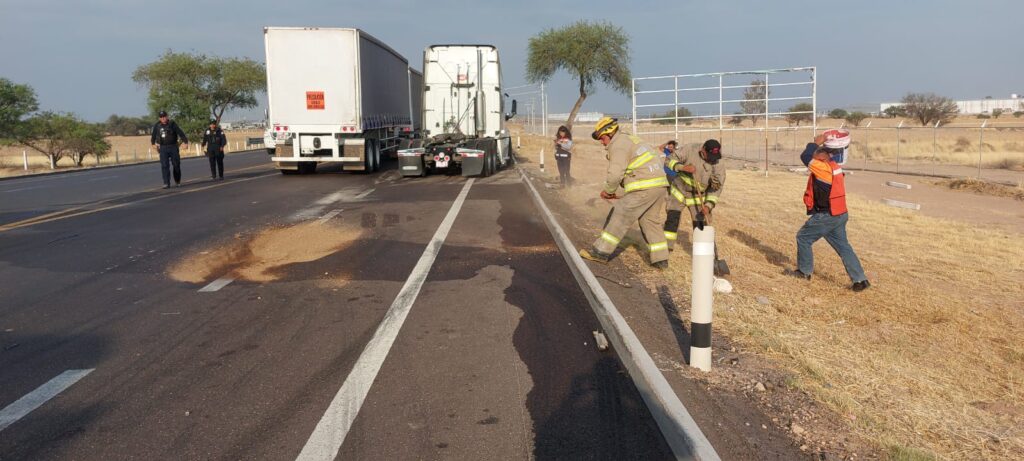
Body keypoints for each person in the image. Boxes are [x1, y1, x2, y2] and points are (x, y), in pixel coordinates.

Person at [579, 117, 671, 270]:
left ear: (609, 133)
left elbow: (615, 174)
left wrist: (608, 191)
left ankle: (600, 253)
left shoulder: (618, 145)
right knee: (650, 221)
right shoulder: (629, 139)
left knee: (620, 213)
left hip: (644, 187)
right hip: (660, 185)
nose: (602, 142)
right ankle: (661, 260)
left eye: (602, 138)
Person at [786, 129, 870, 292]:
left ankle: (804, 272)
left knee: (803, 238)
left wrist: (816, 142)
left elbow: (805, 157)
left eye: (819, 152)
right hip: (840, 213)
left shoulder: (823, 168)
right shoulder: (834, 166)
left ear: (826, 154)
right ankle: (860, 280)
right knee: (843, 247)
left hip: (827, 215)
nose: (816, 154)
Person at [664, 139, 727, 254]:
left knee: (701, 225)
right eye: (710, 156)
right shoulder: (690, 149)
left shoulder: (718, 163)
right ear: (703, 150)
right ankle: (665, 250)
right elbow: (668, 160)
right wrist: (682, 167)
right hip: (679, 192)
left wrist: (708, 206)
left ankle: (704, 255)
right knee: (672, 220)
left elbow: (716, 188)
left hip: (698, 197)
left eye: (715, 157)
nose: (712, 160)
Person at [150, 110, 189, 188]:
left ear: (167, 116)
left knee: (176, 164)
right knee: (164, 165)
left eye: (164, 116)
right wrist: (153, 144)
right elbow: (153, 137)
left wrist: (185, 142)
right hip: (163, 148)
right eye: (161, 117)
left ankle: (177, 181)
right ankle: (166, 183)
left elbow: (180, 133)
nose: (163, 118)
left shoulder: (172, 124)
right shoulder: (157, 126)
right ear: (159, 118)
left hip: (173, 146)